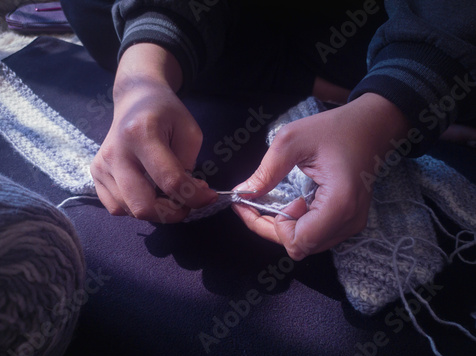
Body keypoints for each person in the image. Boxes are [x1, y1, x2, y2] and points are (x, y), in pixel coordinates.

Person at [61, 0, 476, 261]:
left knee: (444, 77)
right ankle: (318, 84)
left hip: (391, 25)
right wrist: (140, 76)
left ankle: (368, 84)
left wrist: (387, 111)